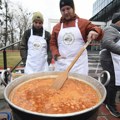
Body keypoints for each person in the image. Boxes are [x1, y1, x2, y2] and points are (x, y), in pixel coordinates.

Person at [50, 0, 103, 75]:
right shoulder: (56, 27)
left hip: (79, 66)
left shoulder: (83, 23)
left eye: (68, 8)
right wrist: (56, 54)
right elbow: (52, 44)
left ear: (73, 9)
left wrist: (95, 31)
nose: (66, 12)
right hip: (61, 65)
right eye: (63, 10)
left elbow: (98, 31)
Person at [100, 12, 120, 118]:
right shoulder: (110, 29)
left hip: (113, 59)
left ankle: (105, 100)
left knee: (108, 81)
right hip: (108, 59)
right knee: (111, 81)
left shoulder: (116, 31)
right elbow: (107, 42)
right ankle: (110, 105)